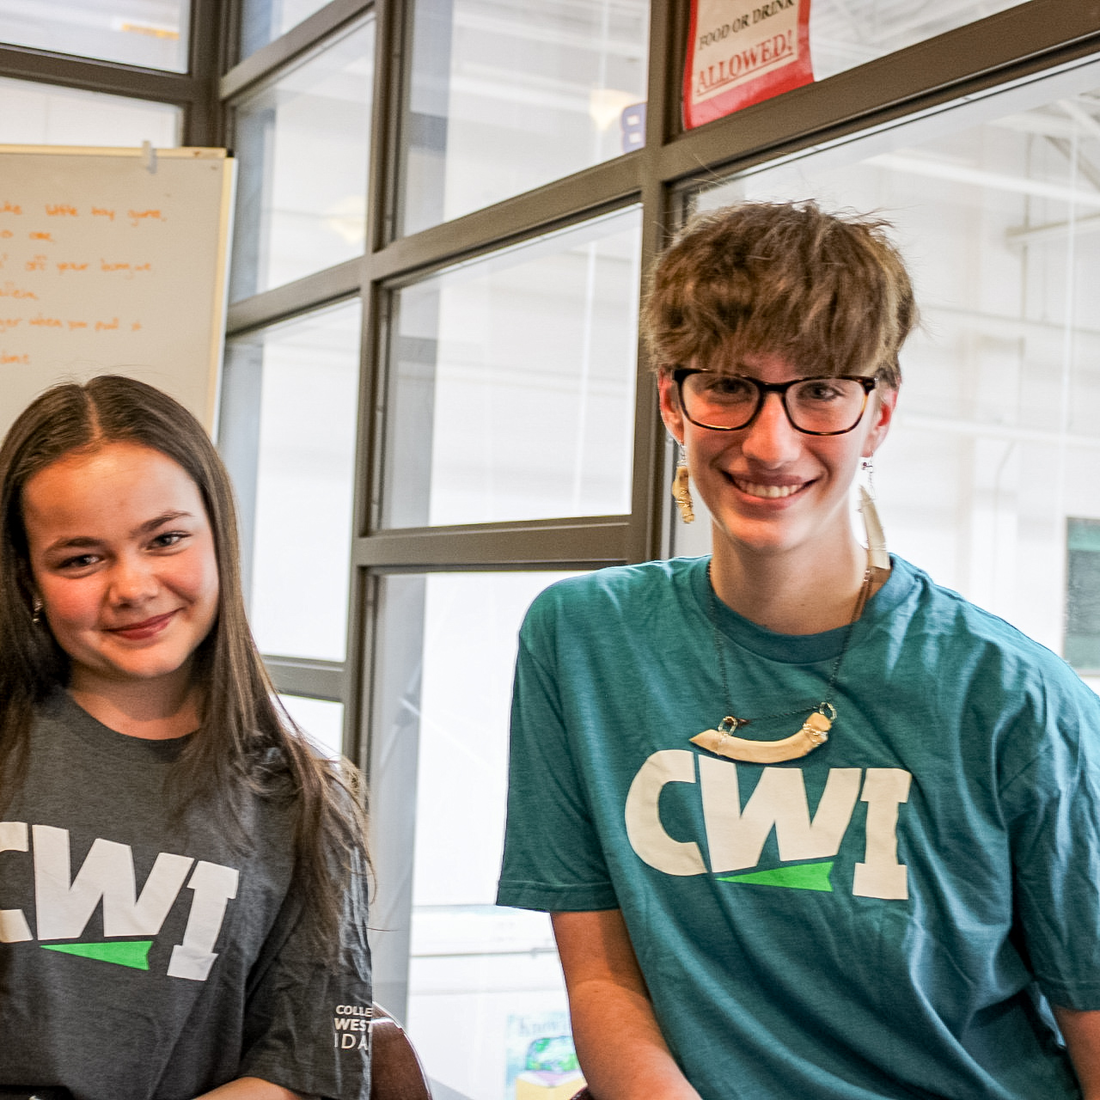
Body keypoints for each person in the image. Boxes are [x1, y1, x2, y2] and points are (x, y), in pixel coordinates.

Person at [496, 201, 1100, 1099]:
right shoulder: (582, 640)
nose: (769, 442)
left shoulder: (1013, 696)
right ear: (673, 401)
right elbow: (605, 978)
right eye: (729, 387)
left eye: (820, 390)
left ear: (879, 414)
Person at [0, 376, 372, 1100]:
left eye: (165, 539)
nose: (133, 586)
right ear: (28, 579)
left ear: (219, 538)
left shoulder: (306, 804)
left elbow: (313, 1067)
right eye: (80, 558)